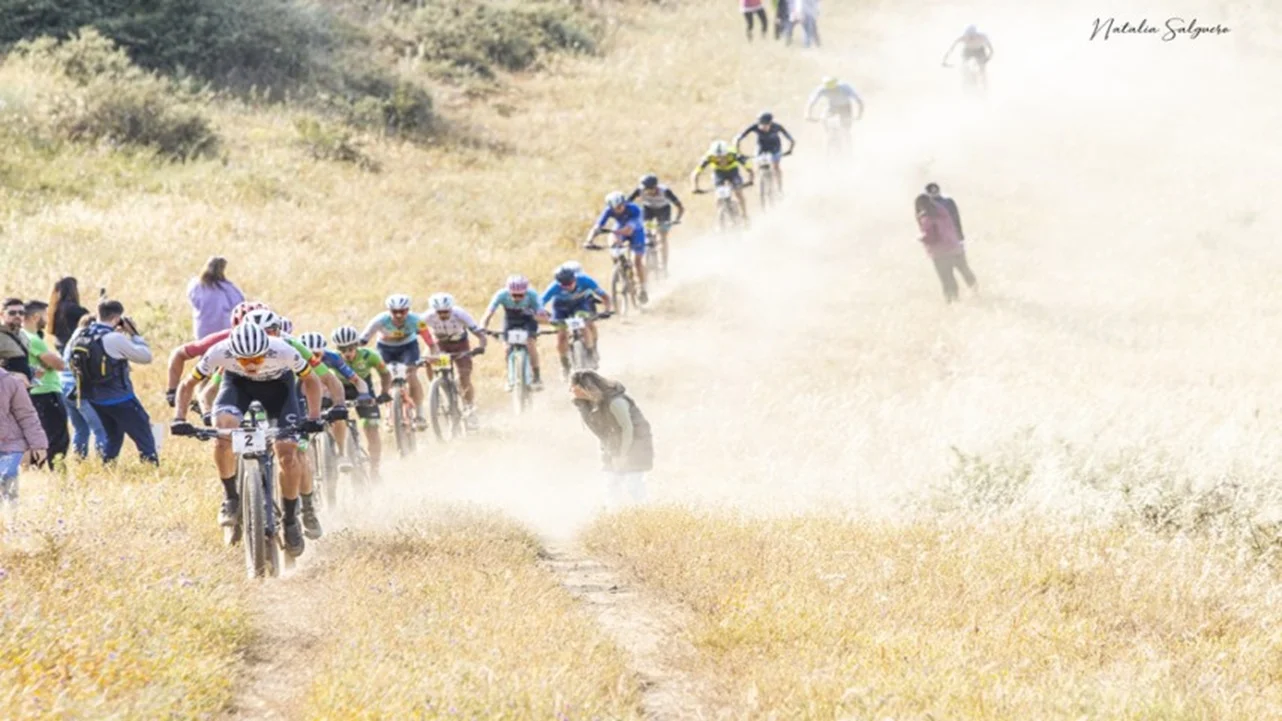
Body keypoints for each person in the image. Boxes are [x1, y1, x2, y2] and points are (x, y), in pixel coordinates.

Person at [170, 322, 324, 558]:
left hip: (279, 391)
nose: (252, 365)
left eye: (257, 359)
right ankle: (231, 497)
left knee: (287, 454)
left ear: (266, 350)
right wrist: (179, 418)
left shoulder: (283, 349)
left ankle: (291, 520)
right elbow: (188, 384)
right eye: (244, 360)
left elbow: (313, 381)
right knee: (223, 436)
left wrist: (313, 416)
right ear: (233, 354)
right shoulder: (219, 352)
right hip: (238, 388)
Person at [69, 300, 158, 464]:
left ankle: (108, 465)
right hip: (120, 397)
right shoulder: (114, 338)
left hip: (95, 397)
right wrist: (135, 334)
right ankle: (150, 465)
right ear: (117, 318)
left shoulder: (82, 334)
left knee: (114, 433)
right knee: (143, 431)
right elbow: (146, 357)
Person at [166, 300, 269, 418]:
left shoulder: (280, 342)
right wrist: (172, 390)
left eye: (266, 330)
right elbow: (178, 354)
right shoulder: (220, 341)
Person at [569, 370, 653, 507]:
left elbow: (628, 429)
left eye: (574, 387)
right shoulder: (586, 405)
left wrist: (623, 455)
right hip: (611, 446)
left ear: (587, 388)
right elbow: (600, 432)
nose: (571, 390)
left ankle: (646, 514)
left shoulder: (616, 402)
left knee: (633, 484)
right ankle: (613, 518)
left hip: (636, 442)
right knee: (611, 484)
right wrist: (612, 454)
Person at [358, 295, 439, 431]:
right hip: (385, 348)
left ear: (408, 310)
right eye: (395, 312)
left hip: (408, 347)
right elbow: (363, 340)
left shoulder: (417, 320)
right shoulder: (379, 320)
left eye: (403, 311)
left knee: (411, 375)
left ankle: (419, 414)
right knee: (386, 377)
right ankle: (389, 414)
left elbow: (429, 340)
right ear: (389, 311)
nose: (399, 315)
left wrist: (434, 354)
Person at [330, 325, 392, 480]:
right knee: (336, 420)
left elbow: (385, 374)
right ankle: (340, 454)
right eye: (342, 350)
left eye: (350, 349)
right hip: (341, 388)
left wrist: (384, 393)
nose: (347, 354)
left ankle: (375, 469)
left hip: (363, 389)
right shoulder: (332, 359)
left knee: (371, 427)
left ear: (356, 346)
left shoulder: (370, 356)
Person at [423, 293, 488, 430]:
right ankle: (435, 390)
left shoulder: (460, 314)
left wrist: (481, 346)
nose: (443, 315)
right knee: (428, 361)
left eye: (446, 311)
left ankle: (469, 408)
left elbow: (478, 333)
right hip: (440, 345)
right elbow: (413, 330)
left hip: (460, 345)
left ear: (451, 309)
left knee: (464, 376)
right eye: (439, 312)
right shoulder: (427, 316)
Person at [542, 265, 612, 380]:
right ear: (559, 284)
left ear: (575, 279)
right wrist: (544, 314)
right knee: (561, 336)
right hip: (560, 308)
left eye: (570, 283)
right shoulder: (554, 287)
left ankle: (590, 353)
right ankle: (564, 366)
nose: (568, 287)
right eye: (564, 285)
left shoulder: (585, 280)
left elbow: (604, 296)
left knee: (583, 324)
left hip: (580, 304)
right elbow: (540, 303)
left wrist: (607, 310)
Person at [481, 275, 549, 390]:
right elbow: (489, 312)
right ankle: (509, 377)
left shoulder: (532, 295)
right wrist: (483, 326)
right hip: (511, 320)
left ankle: (537, 376)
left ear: (525, 292)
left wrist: (542, 319)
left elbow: (541, 314)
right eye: (514, 295)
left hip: (529, 320)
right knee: (506, 348)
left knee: (530, 343)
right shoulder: (501, 295)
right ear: (509, 292)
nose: (517, 298)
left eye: (520, 295)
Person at [22, 301, 69, 469]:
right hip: (46, 392)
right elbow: (60, 364)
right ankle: (56, 471)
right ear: (35, 317)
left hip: (33, 392)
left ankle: (35, 470)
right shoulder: (33, 339)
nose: (47, 320)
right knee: (57, 437)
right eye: (45, 315)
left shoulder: (20, 337)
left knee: (37, 435)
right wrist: (52, 361)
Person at [585, 191, 651, 304]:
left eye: (621, 206)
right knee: (612, 243)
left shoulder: (634, 209)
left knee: (637, 261)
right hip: (620, 227)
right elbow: (597, 226)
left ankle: (643, 288)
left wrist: (613, 232)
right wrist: (589, 240)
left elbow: (629, 230)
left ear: (624, 203)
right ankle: (619, 267)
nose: (619, 209)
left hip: (636, 231)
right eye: (616, 208)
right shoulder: (608, 210)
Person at [915, 193, 978, 303]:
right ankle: (976, 291)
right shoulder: (943, 212)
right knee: (965, 270)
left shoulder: (926, 218)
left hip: (940, 254)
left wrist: (920, 238)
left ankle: (952, 301)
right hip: (955, 248)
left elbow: (930, 237)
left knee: (947, 279)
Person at [61, 315, 108, 459]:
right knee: (101, 430)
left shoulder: (72, 340)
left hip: (65, 388)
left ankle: (79, 460)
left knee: (80, 429)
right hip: (81, 390)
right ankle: (104, 462)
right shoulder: (87, 341)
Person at [0, 366, 47, 507]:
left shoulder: (9, 381)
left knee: (7, 477)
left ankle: (11, 522)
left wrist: (38, 445)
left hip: (9, 442)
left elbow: (26, 414)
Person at [627, 175, 685, 275]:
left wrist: (676, 219)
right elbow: (626, 204)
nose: (646, 192)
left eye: (649, 190)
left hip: (663, 211)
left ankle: (664, 266)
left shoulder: (665, 191)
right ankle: (645, 258)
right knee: (646, 232)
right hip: (648, 210)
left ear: (655, 187)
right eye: (645, 189)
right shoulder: (639, 190)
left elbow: (680, 207)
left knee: (662, 238)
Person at [691, 140, 755, 223]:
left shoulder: (734, 154)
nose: (720, 159)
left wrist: (750, 180)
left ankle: (744, 214)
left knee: (738, 192)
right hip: (719, 173)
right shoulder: (709, 157)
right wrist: (694, 187)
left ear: (727, 154)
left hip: (733, 172)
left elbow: (749, 168)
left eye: (723, 157)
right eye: (717, 157)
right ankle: (720, 218)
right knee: (718, 198)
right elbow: (696, 173)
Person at [735, 112, 796, 194]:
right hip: (761, 147)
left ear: (770, 123)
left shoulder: (777, 127)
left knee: (776, 167)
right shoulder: (754, 127)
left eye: (766, 125)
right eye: (761, 124)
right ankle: (759, 182)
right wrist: (738, 151)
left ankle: (779, 188)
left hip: (775, 148)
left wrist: (790, 149)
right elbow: (739, 138)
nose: (763, 127)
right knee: (757, 164)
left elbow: (790, 138)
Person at [187, 256, 246, 340]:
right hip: (225, 333)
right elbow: (240, 306)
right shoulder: (230, 289)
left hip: (202, 332)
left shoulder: (195, 285)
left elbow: (192, 300)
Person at [805, 77, 864, 153]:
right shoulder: (821, 89)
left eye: (834, 88)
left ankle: (849, 148)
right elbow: (811, 102)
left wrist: (859, 115)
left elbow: (859, 101)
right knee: (824, 119)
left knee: (845, 128)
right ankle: (829, 137)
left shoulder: (845, 87)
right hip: (832, 106)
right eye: (829, 88)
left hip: (845, 106)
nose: (831, 90)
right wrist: (807, 114)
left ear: (836, 85)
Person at [942, 25, 994, 89]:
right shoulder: (962, 38)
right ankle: (965, 84)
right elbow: (951, 49)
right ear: (966, 35)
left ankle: (985, 86)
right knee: (964, 67)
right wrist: (945, 59)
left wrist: (987, 58)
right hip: (968, 51)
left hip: (979, 51)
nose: (971, 39)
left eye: (972, 37)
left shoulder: (982, 37)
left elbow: (991, 50)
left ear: (976, 35)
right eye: (969, 37)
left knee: (982, 68)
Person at [48, 277, 90, 353]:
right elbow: (89, 320)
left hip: (59, 344)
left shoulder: (55, 308)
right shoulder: (74, 309)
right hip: (72, 346)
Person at [0, 299, 32, 381]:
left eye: (21, 313)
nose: (17, 315)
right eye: (12, 313)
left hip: (23, 387)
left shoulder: (23, 335)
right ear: (2, 315)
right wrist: (12, 374)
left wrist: (33, 371)